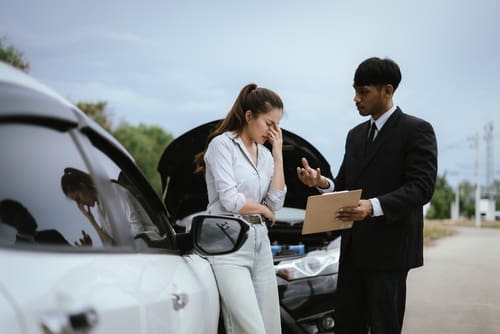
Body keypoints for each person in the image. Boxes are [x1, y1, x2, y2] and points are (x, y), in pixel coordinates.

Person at [297, 57, 437, 334]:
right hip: (353, 250)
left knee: (384, 327)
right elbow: (345, 185)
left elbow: (422, 187)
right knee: (347, 327)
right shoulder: (355, 135)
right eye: (355, 91)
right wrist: (322, 182)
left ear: (387, 90)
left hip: (391, 251)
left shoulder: (416, 130)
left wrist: (372, 207)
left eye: (363, 92)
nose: (356, 98)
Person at [193, 83, 286, 334]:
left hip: (260, 242)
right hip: (227, 241)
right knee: (250, 329)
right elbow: (231, 200)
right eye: (269, 123)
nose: (273, 131)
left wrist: (278, 155)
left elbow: (276, 201)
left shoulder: (266, 156)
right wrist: (264, 212)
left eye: (277, 125)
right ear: (248, 116)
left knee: (270, 328)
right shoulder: (222, 145)